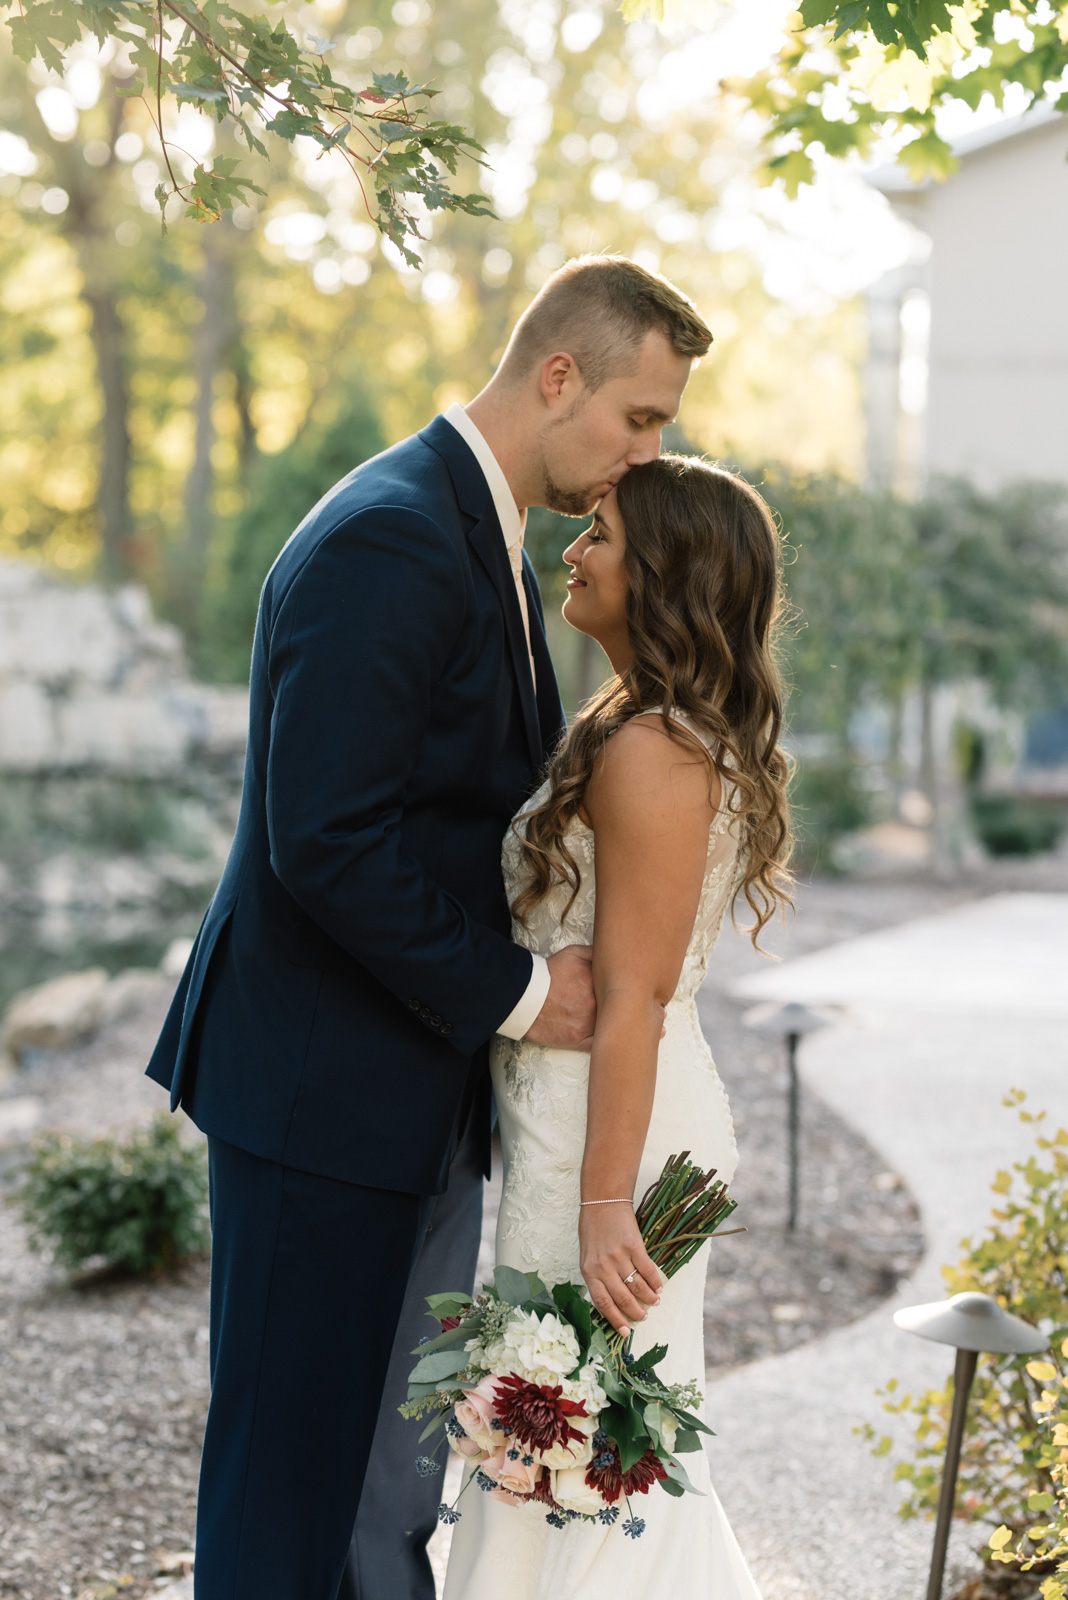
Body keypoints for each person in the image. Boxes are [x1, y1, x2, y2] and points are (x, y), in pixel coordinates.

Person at [145, 255, 713, 1600]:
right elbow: (326, 837)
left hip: (395, 1086)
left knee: (368, 1489)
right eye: (640, 418)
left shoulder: (484, 535)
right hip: (318, 1089)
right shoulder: (395, 533)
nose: (646, 453)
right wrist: (523, 995)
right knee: (289, 1484)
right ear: (558, 374)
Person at [443, 453, 793, 1598]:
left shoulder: (653, 749)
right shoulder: (637, 723)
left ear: (665, 574)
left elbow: (634, 991)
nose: (572, 550)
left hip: (612, 1139)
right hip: (594, 1114)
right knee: (573, 1459)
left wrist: (602, 1208)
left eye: (599, 533)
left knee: (579, 1463)